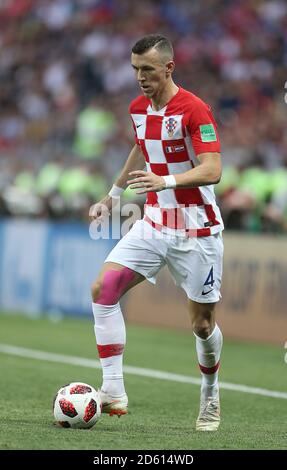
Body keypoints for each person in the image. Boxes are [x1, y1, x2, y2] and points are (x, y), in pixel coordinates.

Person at [90, 35, 224, 432]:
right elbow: (140, 144)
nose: (139, 77)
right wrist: (113, 195)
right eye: (134, 69)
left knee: (201, 325)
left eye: (147, 69)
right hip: (153, 223)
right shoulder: (137, 108)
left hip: (196, 229)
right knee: (103, 290)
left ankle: (210, 393)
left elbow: (213, 169)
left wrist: (164, 181)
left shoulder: (195, 109)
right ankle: (113, 390)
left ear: (169, 67)